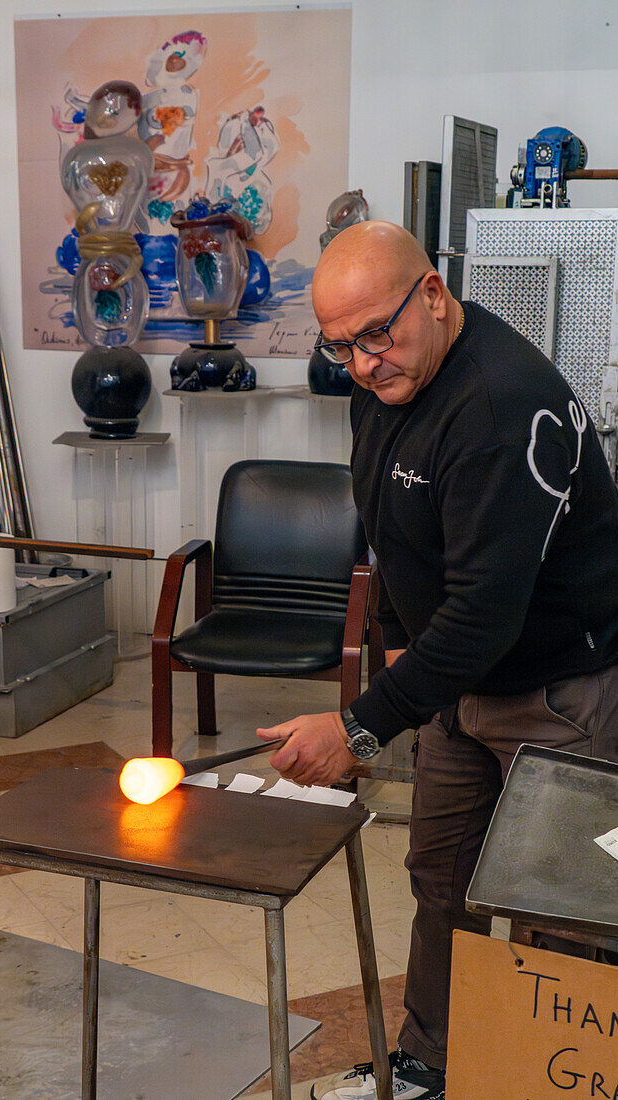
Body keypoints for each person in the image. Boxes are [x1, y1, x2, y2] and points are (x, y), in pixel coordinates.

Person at [256, 221, 618, 1100]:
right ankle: (432, 1062)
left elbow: (485, 615)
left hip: (557, 694)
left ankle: (553, 1080)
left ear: (432, 293)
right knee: (443, 881)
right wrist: (395, 667)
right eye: (339, 345)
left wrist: (361, 726)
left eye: (377, 332)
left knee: (562, 910)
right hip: (458, 685)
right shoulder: (379, 383)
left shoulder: (497, 406)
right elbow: (395, 541)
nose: (363, 362)